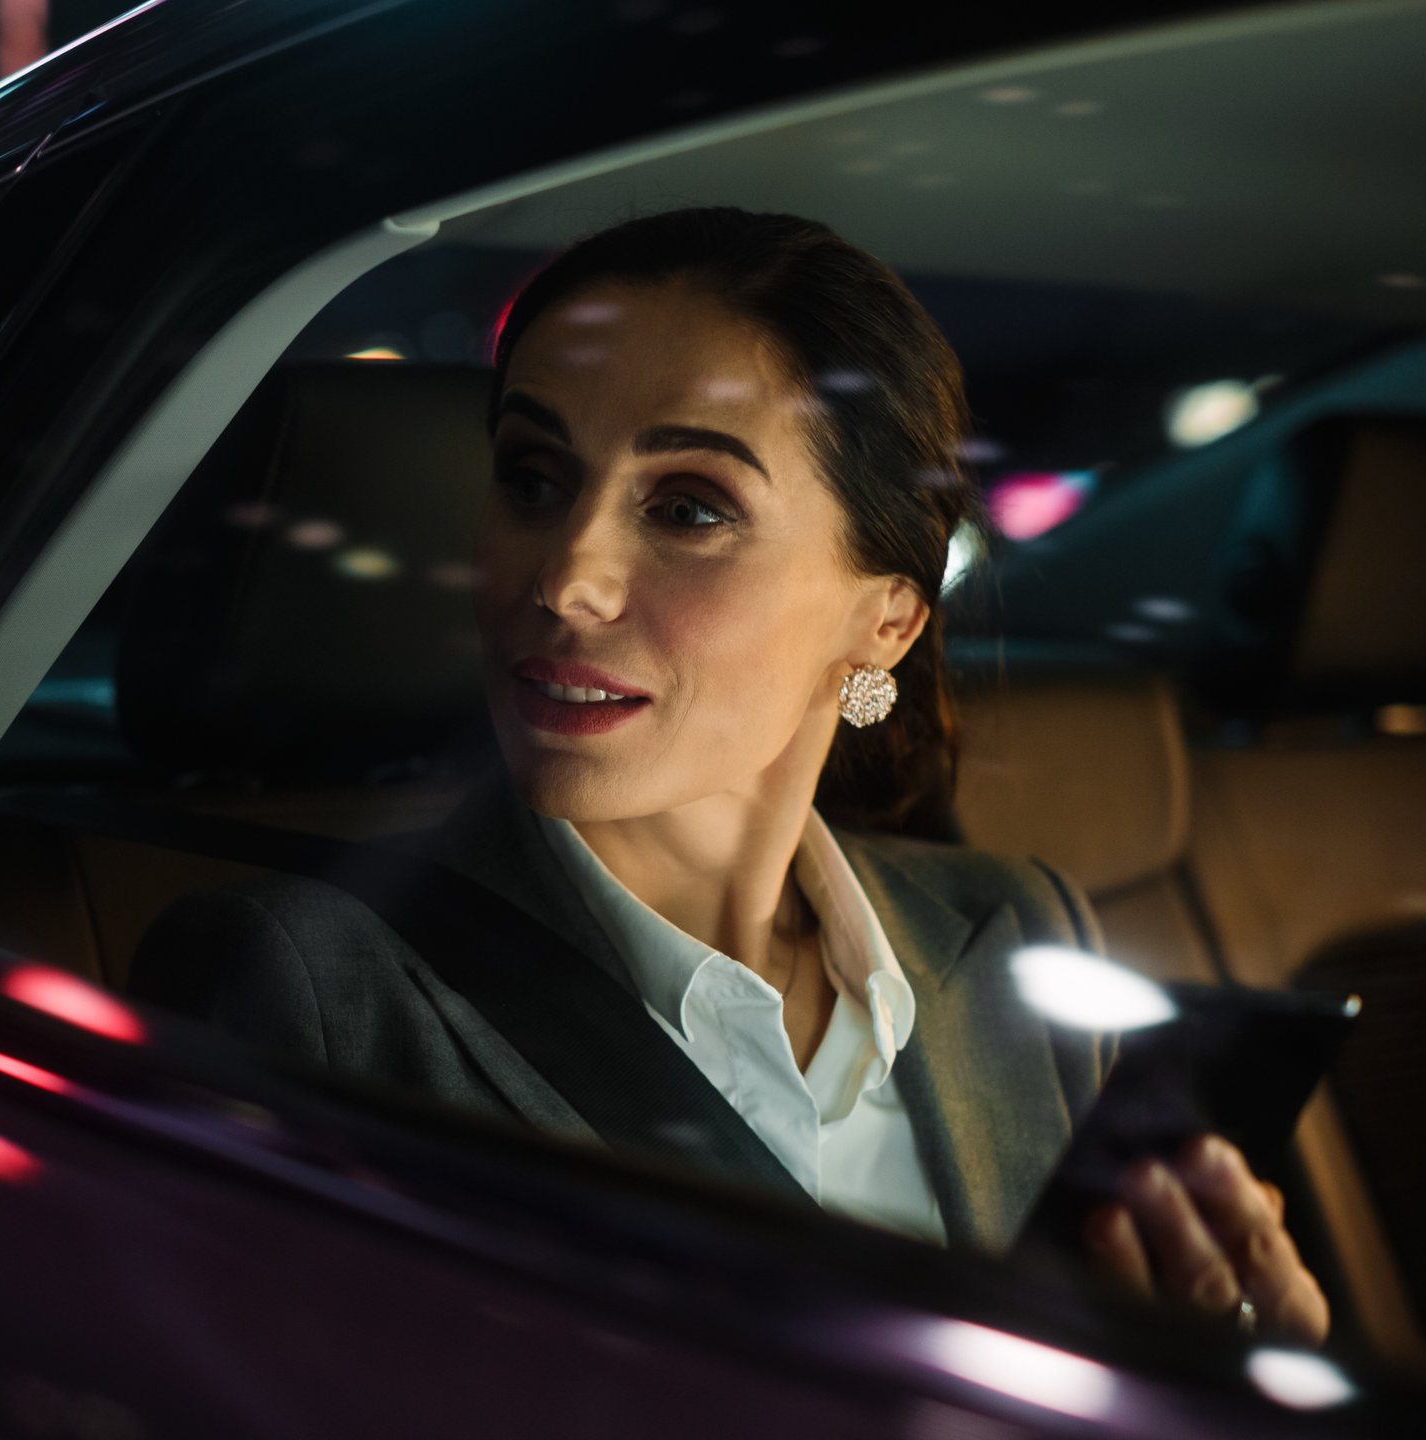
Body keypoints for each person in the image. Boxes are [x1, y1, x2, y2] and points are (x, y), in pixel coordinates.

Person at [129, 208, 1328, 1345]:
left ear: (886, 625)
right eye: (533, 479)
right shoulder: (298, 984)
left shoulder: (1016, 932)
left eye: (690, 508)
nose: (563, 581)